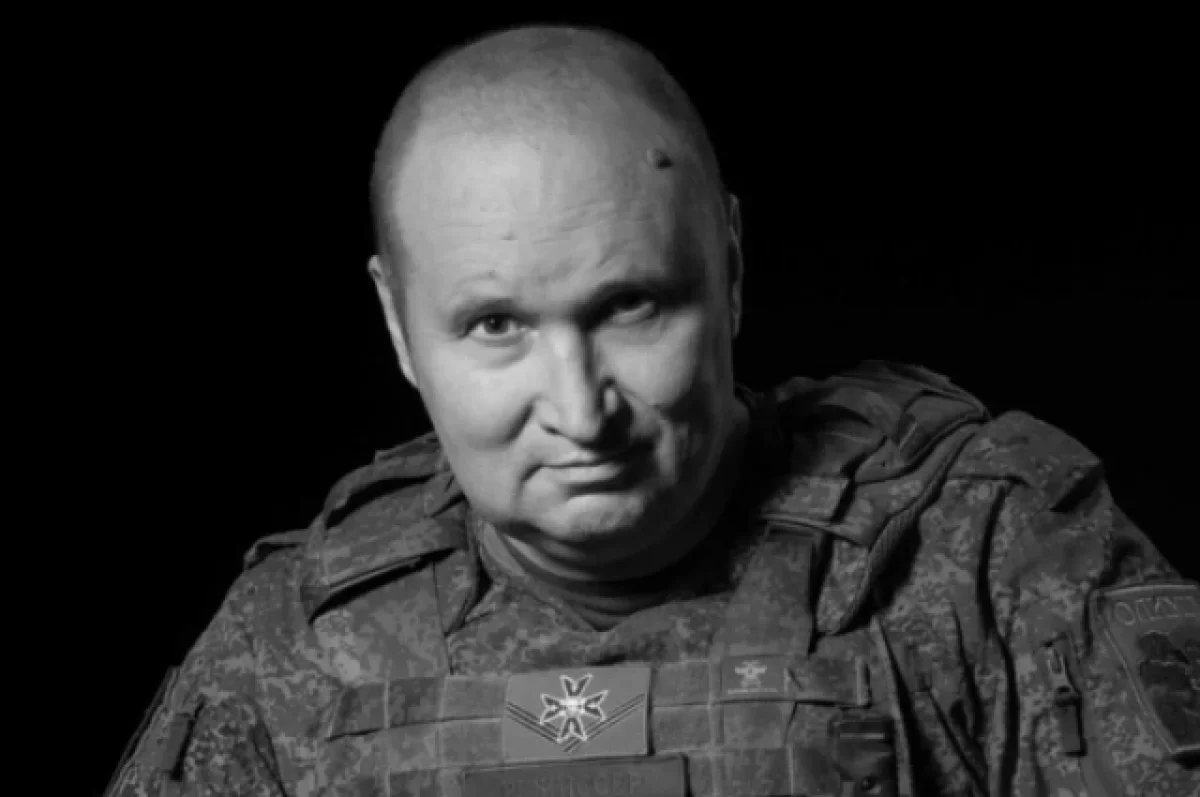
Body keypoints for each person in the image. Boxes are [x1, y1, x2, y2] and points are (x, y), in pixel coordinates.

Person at [107, 24, 1198, 797]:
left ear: (731, 267)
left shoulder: (992, 554)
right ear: (399, 327)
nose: (581, 411)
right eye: (496, 324)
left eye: (629, 306)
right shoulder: (296, 636)